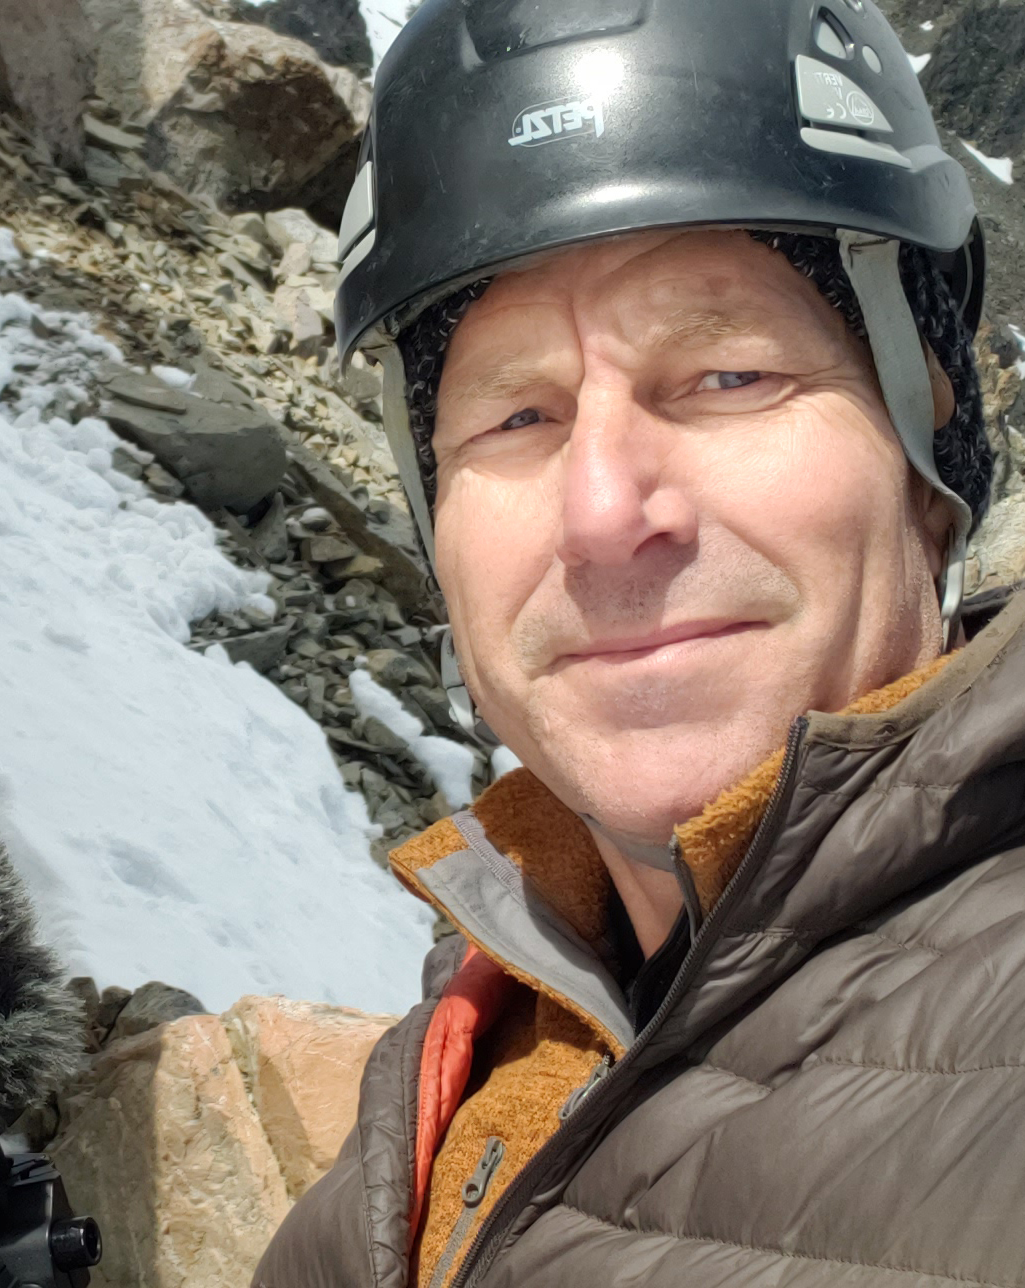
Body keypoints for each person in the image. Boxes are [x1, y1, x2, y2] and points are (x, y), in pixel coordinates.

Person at [256, 1, 1025, 1284]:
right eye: (514, 413)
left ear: (928, 434)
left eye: (728, 376)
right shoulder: (487, 1029)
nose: (606, 515)